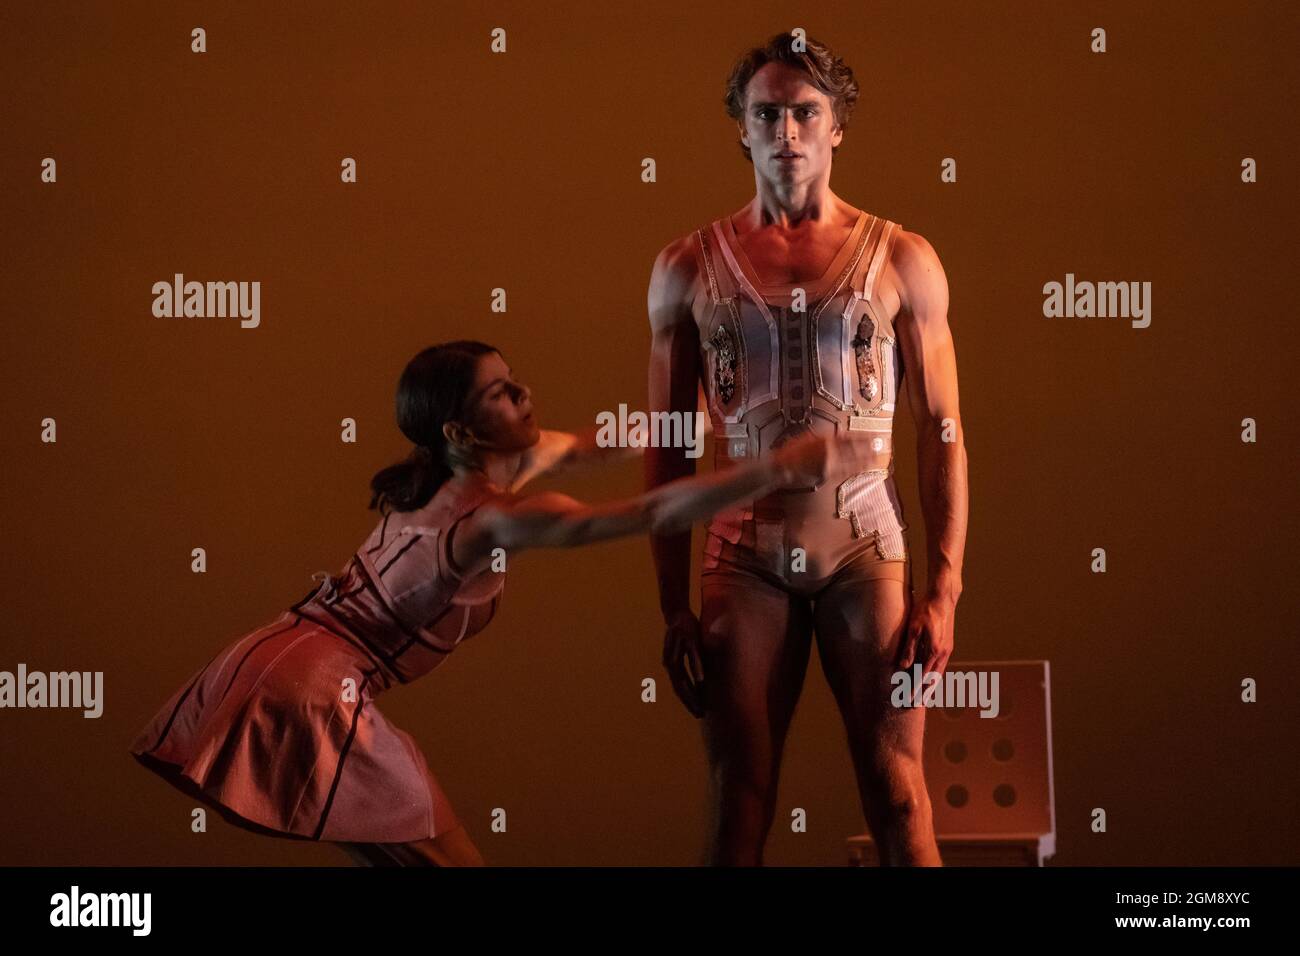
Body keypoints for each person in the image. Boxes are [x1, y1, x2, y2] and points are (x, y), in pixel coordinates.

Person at [130, 339, 879, 866]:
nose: (523, 394)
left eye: (514, 379)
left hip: (275, 660)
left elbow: (600, 444)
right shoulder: (490, 515)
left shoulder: (469, 470)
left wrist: (727, 415)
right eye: (500, 393)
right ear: (460, 431)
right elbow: (650, 513)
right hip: (309, 685)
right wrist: (782, 466)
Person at [645, 32, 969, 865]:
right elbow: (671, 444)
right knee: (738, 808)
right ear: (741, 130)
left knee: (898, 794)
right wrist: (670, 602)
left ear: (836, 128)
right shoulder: (687, 267)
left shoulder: (903, 257)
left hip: (865, 546)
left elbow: (942, 432)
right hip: (742, 551)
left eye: (804, 114)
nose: (786, 132)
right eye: (767, 115)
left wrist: (945, 589)